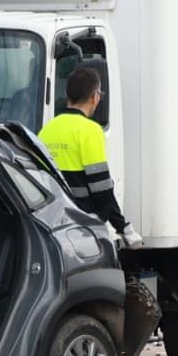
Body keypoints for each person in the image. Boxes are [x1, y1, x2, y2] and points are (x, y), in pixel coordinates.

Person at [38, 67, 141, 248]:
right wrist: (123, 227)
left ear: (67, 96)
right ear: (95, 97)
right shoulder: (90, 131)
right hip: (83, 226)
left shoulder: (46, 130)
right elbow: (101, 188)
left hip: (52, 223)